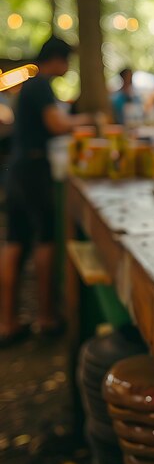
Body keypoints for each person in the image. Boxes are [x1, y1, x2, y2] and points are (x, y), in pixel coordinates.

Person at [0, 36, 93, 345]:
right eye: (66, 61)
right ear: (57, 59)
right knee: (44, 240)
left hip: (16, 172)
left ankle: (8, 323)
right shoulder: (40, 84)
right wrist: (88, 120)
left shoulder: (30, 84)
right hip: (34, 171)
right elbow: (56, 124)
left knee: (15, 241)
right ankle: (46, 317)